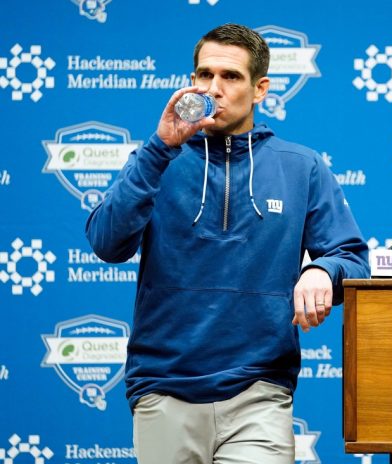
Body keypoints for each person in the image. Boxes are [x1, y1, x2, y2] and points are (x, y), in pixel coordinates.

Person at [85, 23, 370, 464]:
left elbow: (352, 260)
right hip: (164, 387)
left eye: (231, 76)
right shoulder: (155, 160)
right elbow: (107, 243)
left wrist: (321, 270)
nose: (214, 88)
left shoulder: (303, 167)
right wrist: (160, 148)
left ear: (260, 89)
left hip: (259, 391)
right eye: (205, 75)